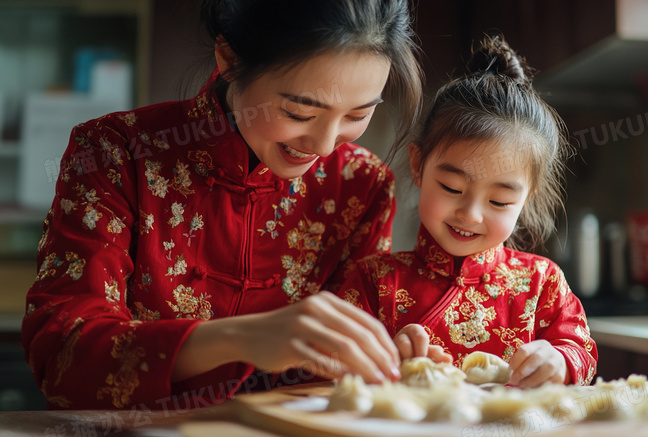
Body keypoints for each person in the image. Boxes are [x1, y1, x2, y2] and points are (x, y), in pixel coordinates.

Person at [22, 0, 434, 410]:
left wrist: (385, 356)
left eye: (357, 115)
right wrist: (241, 338)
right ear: (229, 59)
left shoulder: (361, 183)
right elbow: (62, 356)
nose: (324, 146)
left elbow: (333, 375)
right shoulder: (117, 153)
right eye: (298, 111)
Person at [337, 34, 598, 388]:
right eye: (452, 188)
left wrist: (560, 361)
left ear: (526, 197)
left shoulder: (542, 283)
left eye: (499, 202)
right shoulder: (375, 281)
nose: (471, 214)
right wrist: (385, 359)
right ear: (418, 165)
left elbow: (582, 351)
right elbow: (332, 363)